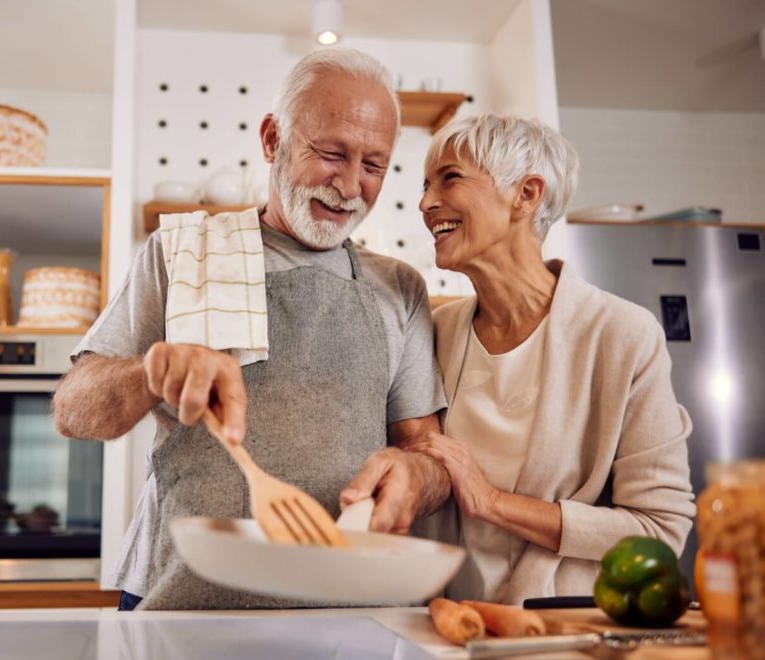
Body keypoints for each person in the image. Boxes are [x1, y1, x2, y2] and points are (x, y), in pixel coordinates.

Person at [53, 48, 450, 611]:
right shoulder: (182, 254)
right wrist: (149, 373)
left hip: (347, 612)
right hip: (183, 602)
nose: (350, 185)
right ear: (272, 140)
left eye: (374, 165)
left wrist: (417, 474)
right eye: (332, 153)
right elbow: (73, 410)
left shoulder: (399, 288)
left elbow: (429, 455)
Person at [416, 114, 696, 604]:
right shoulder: (433, 333)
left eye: (450, 178)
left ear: (526, 195)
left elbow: (658, 532)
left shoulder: (622, 336)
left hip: (560, 631)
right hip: (443, 624)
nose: (425, 203)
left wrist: (493, 502)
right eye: (425, 185)